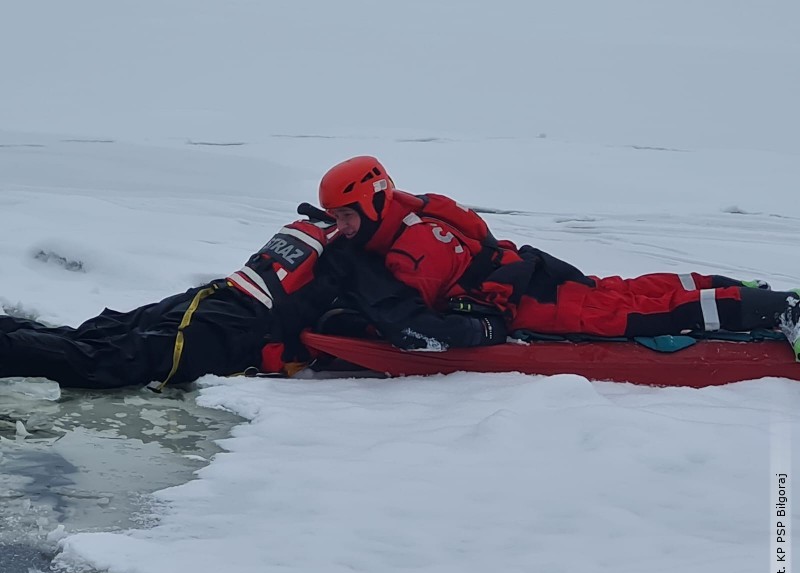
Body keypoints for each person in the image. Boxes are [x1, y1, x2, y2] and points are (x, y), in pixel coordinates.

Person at [317, 156, 800, 353]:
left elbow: (418, 320)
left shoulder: (414, 249)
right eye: (335, 217)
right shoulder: (416, 209)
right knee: (627, 291)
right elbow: (480, 234)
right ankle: (741, 291)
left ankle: (779, 310)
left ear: (373, 202)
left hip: (533, 302)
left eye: (346, 216)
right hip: (531, 273)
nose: (341, 227)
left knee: (645, 314)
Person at [0, 215, 341, 389]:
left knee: (97, 337)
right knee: (109, 358)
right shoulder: (350, 256)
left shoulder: (323, 230)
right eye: (343, 215)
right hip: (232, 328)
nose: (346, 223)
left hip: (214, 297)